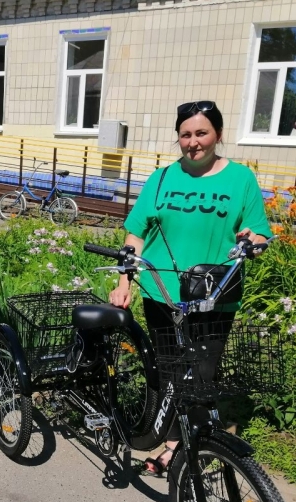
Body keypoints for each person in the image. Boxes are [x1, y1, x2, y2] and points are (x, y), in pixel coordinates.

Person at [109, 100, 270, 475]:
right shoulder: (162, 178)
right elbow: (136, 234)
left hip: (213, 295)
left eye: (201, 133)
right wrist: (124, 281)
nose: (193, 142)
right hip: (161, 292)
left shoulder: (240, 179)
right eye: (186, 135)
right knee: (169, 369)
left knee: (201, 374)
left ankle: (188, 445)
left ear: (218, 135)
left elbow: (259, 231)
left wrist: (253, 239)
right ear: (178, 138)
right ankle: (174, 442)